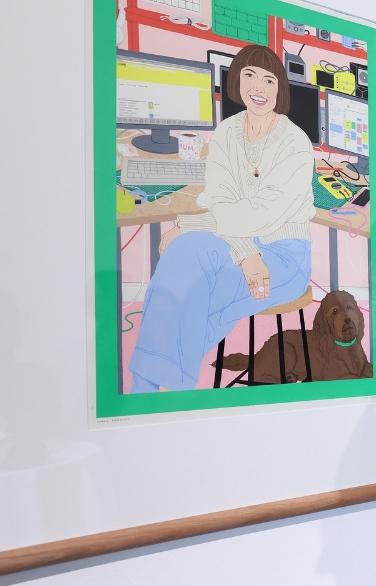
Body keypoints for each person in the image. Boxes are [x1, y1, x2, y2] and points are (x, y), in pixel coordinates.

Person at [128, 44, 317, 392]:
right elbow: (220, 200)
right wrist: (245, 251)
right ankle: (155, 388)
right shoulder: (228, 131)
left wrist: (191, 223)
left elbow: (261, 213)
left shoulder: (294, 142)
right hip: (240, 243)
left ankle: (152, 389)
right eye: (249, 76)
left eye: (268, 80)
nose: (257, 88)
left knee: (196, 300)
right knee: (184, 257)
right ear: (236, 81)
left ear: (280, 90)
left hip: (284, 254)